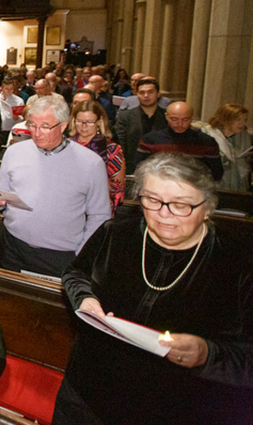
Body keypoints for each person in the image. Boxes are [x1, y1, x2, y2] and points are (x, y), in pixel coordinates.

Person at [52, 153, 253, 424]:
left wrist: (207, 354)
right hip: (86, 393)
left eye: (181, 205)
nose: (164, 214)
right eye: (153, 200)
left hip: (172, 408)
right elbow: (76, 272)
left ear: (207, 207)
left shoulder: (237, 263)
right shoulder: (117, 233)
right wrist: (84, 298)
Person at [0, 96, 111, 277]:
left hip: (60, 256)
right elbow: (1, 191)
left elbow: (100, 216)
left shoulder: (91, 163)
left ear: (63, 126)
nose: (36, 133)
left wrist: (81, 254)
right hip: (13, 247)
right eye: (32, 125)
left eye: (45, 126)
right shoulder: (14, 152)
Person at [136, 101, 224, 180]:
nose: (180, 124)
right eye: (174, 119)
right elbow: (140, 169)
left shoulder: (207, 142)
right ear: (166, 116)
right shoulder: (150, 140)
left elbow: (216, 174)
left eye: (185, 119)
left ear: (191, 118)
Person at [69, 100, 126, 211]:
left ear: (99, 121)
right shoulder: (65, 146)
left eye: (89, 122)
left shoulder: (112, 149)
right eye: (80, 121)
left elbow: (117, 188)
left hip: (98, 207)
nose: (84, 126)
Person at [114, 77, 167, 167]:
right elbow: (121, 144)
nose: (146, 96)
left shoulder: (167, 116)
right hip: (133, 166)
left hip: (162, 165)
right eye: (142, 92)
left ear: (158, 94)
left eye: (150, 92)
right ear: (136, 94)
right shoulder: (125, 116)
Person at [200, 103, 251, 191]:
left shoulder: (243, 135)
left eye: (245, 119)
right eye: (238, 119)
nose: (242, 123)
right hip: (216, 186)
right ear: (225, 119)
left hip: (239, 186)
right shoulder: (207, 134)